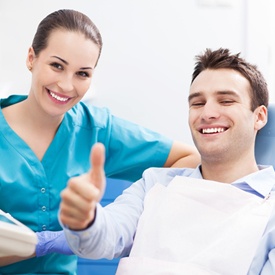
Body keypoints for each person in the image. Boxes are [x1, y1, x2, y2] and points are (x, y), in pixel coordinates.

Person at [0, 9, 200, 275]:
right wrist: (39, 246)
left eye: (82, 74)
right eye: (57, 65)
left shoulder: (97, 130)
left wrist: (121, 216)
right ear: (31, 58)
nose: (66, 85)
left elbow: (188, 160)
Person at [59, 48, 275, 275]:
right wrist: (86, 219)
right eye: (198, 103)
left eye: (226, 100)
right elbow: (106, 236)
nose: (208, 112)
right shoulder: (155, 184)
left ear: (259, 117)